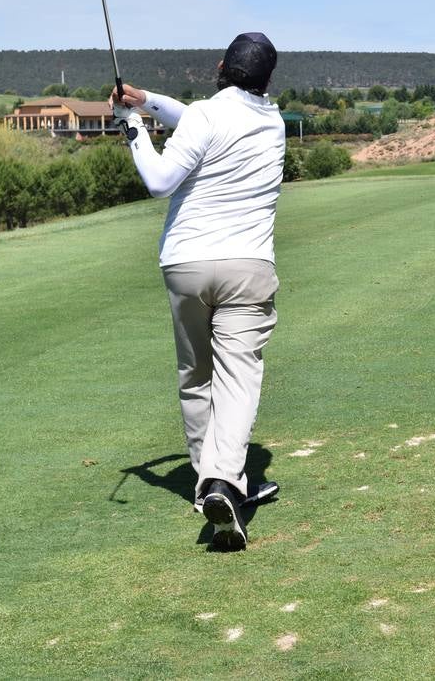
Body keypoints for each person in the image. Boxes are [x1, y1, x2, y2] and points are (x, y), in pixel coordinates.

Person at [109, 32, 286, 551]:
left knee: (197, 377)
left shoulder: (209, 115)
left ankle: (207, 483)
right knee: (238, 378)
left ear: (220, 66)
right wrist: (147, 102)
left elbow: (160, 180)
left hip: (185, 264)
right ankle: (223, 481)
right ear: (266, 81)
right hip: (248, 266)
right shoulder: (271, 122)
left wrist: (134, 127)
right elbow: (199, 119)